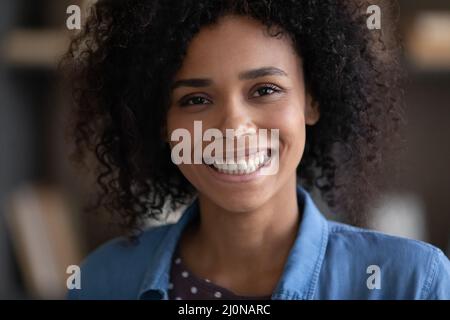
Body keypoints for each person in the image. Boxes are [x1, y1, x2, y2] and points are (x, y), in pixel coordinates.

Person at [63, 0, 450, 299]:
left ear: (311, 101)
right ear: (162, 124)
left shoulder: (413, 282)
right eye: (195, 99)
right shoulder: (101, 281)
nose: (233, 126)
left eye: (265, 90)